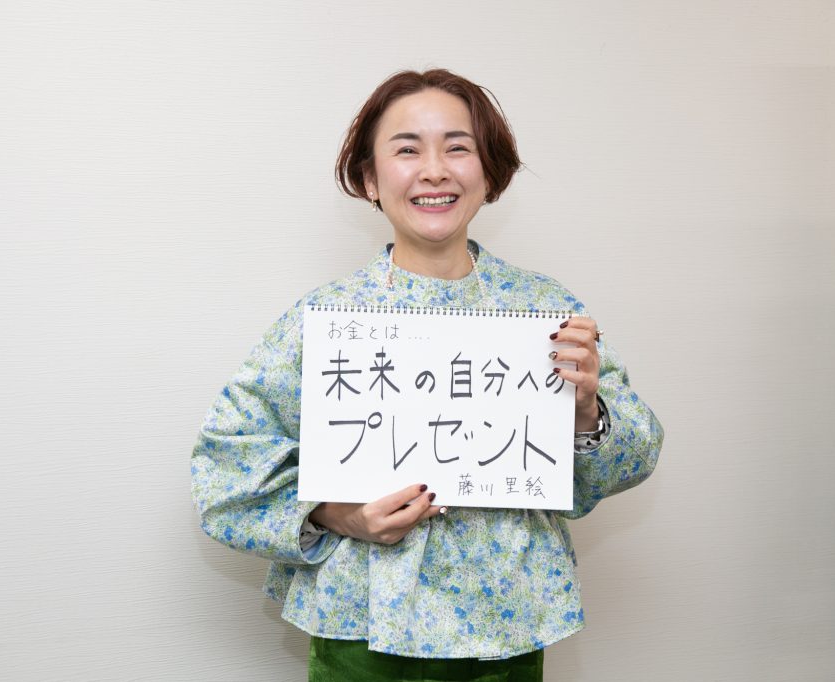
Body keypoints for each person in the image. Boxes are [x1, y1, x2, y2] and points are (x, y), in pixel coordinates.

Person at [192, 68, 664, 681]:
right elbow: (225, 461)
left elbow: (634, 458)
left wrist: (585, 412)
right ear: (370, 178)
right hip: (358, 628)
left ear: (489, 173)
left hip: (507, 630)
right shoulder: (328, 318)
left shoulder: (545, 313)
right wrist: (336, 514)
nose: (435, 170)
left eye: (458, 147)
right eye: (408, 150)